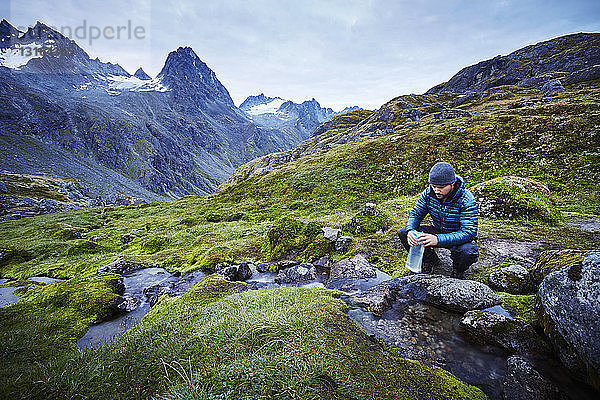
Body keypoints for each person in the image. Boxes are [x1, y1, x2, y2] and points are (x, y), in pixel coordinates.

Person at [398, 162, 479, 279]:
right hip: (437, 229)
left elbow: (469, 232)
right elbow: (416, 214)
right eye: (433, 186)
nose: (436, 190)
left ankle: (458, 270)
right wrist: (411, 230)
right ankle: (430, 260)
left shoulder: (466, 199)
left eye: (441, 187)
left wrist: (437, 240)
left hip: (457, 233)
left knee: (468, 252)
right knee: (404, 232)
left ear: (452, 184)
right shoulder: (428, 193)